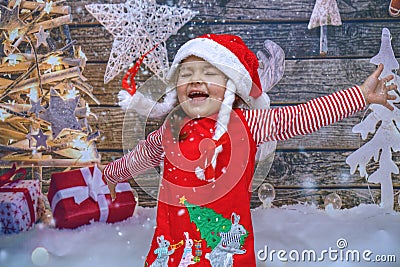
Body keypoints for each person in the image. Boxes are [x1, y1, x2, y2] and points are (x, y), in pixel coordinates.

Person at [101, 34, 397, 267]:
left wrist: (359, 95)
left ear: (233, 86)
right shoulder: (173, 126)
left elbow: (302, 116)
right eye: (186, 73)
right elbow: (144, 153)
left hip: (225, 242)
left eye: (210, 73)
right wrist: (113, 174)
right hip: (175, 239)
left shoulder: (247, 123)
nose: (195, 79)